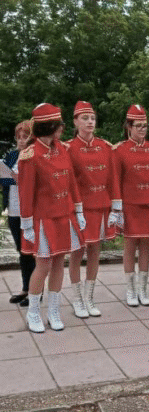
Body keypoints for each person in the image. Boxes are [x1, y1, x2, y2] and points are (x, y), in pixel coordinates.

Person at [18, 103, 86, 332]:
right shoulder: (30, 155)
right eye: (59, 125)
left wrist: (79, 210)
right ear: (49, 127)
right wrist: (27, 224)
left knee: (59, 262)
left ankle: (54, 310)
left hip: (64, 215)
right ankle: (34, 312)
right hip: (43, 219)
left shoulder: (63, 149)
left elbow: (72, 182)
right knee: (43, 265)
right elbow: (25, 193)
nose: (63, 128)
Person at [112, 105, 149, 307]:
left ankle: (143, 290)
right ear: (129, 126)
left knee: (146, 247)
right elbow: (116, 180)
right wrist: (117, 208)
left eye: (145, 126)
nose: (142, 129)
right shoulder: (119, 150)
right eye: (138, 126)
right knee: (129, 246)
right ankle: (130, 290)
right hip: (130, 205)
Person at [66, 101, 119, 318]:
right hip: (80, 208)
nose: (90, 122)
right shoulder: (67, 148)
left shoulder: (106, 147)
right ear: (75, 121)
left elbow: (113, 178)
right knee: (77, 252)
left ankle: (89, 298)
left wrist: (116, 207)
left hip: (101, 206)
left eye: (93, 118)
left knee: (96, 251)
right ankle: (77, 299)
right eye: (85, 118)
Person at [1, 121, 36, 306]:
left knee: (32, 252)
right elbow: (4, 180)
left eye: (25, 137)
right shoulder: (12, 155)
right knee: (21, 252)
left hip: (30, 211)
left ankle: (35, 292)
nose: (21, 141)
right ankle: (25, 288)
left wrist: (20, 179)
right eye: (19, 137)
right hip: (13, 210)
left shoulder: (35, 155)